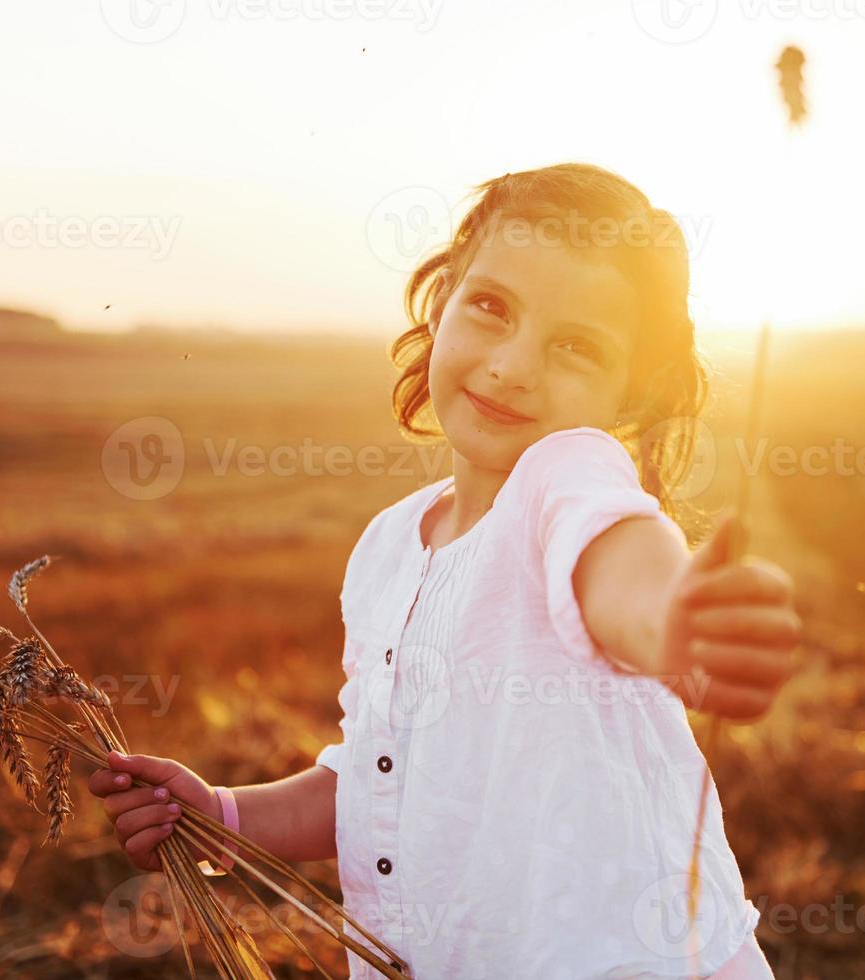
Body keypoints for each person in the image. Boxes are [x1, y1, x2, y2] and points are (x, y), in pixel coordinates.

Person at [90, 162, 798, 978]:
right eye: (492, 307)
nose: (512, 365)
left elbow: (621, 565)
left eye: (576, 346)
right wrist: (221, 815)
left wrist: (672, 620)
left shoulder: (566, 480)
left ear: (628, 396)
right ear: (442, 301)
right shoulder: (389, 546)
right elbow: (382, 783)